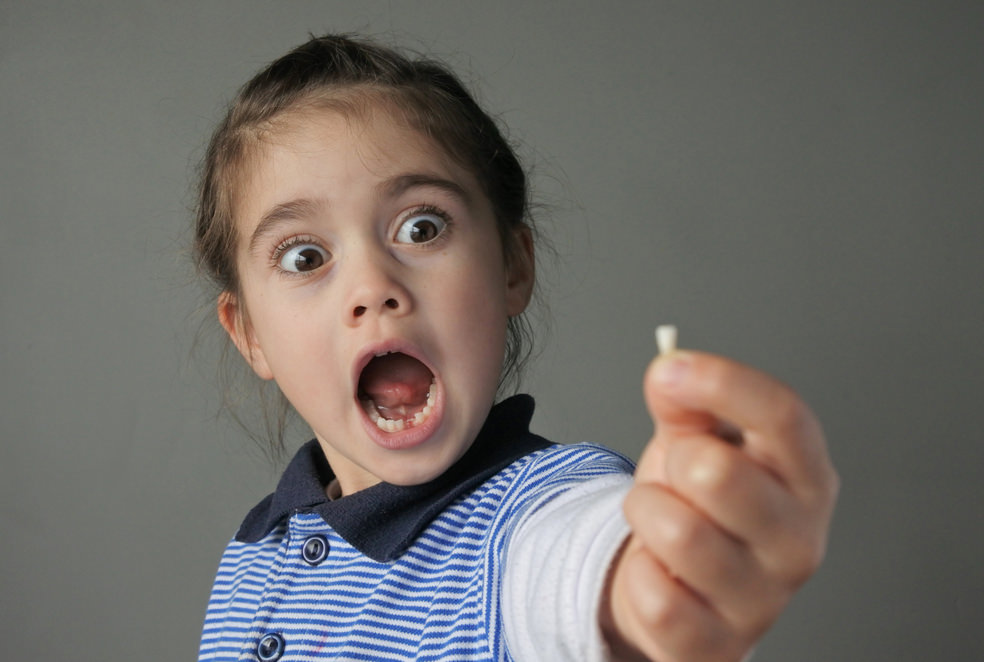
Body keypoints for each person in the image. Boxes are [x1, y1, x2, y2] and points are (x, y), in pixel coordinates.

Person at [194, 34, 838, 662]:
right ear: (250, 334)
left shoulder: (534, 515)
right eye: (305, 256)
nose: (372, 289)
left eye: (421, 227)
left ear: (511, 267)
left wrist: (653, 589)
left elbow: (588, 566)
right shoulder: (251, 555)